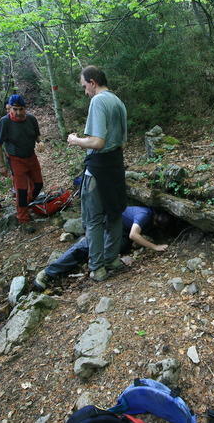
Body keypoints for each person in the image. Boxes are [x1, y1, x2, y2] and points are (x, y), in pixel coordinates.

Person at [68, 66, 128, 282]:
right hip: (116, 165)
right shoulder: (117, 101)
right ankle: (112, 259)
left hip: (99, 167)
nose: (85, 92)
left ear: (92, 82)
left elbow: (97, 142)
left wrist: (76, 140)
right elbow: (121, 140)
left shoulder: (98, 101)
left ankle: (97, 267)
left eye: (85, 87)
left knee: (93, 219)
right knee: (114, 212)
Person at [33, 206, 170, 291]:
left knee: (121, 246)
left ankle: (93, 256)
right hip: (108, 224)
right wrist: (155, 247)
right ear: (155, 219)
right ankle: (48, 273)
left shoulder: (148, 215)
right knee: (87, 246)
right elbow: (133, 234)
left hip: (119, 230)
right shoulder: (144, 215)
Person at [0, 94, 44, 232]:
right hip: (15, 159)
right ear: (10, 108)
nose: (18, 112)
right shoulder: (5, 122)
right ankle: (23, 219)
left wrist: (40, 142)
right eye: (14, 109)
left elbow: (37, 135)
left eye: (21, 109)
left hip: (31, 156)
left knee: (38, 184)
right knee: (21, 190)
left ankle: (26, 204)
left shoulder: (31, 119)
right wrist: (1, 165)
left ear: (25, 108)